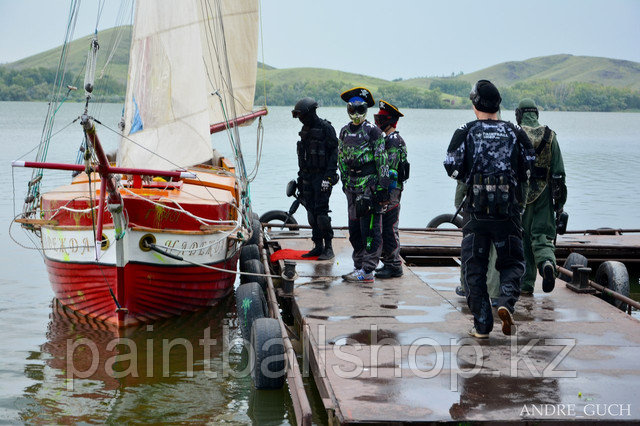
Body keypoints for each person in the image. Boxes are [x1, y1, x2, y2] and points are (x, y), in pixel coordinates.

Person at [444, 80, 534, 338]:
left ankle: (482, 324)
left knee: (474, 269)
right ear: (498, 105)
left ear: (475, 105)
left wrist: (472, 176)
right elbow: (529, 166)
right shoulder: (515, 131)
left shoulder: (465, 131)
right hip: (508, 213)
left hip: (476, 213)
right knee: (512, 263)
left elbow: (451, 166)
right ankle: (505, 302)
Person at [338, 87, 390, 283]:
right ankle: (358, 265)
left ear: (366, 111)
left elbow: (382, 160)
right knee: (354, 230)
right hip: (351, 187)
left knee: (370, 230)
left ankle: (368, 270)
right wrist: (344, 181)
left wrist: (382, 188)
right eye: (353, 110)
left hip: (369, 186)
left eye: (360, 110)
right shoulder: (344, 131)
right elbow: (341, 158)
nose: (356, 114)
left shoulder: (373, 131)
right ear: (348, 110)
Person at [516, 98, 567, 294]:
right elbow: (559, 173)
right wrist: (559, 204)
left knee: (522, 238)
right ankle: (547, 264)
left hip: (521, 194)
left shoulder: (515, 133)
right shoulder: (550, 136)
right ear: (536, 113)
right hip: (544, 194)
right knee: (542, 236)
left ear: (519, 114)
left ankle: (526, 285)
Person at [292, 97, 339, 260]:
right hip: (307, 176)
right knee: (311, 213)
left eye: (301, 115)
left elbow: (335, 154)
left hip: (322, 176)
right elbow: (302, 157)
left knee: (321, 213)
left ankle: (329, 247)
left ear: (310, 113)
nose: (300, 119)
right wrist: (300, 179)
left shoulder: (326, 128)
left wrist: (328, 177)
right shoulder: (305, 129)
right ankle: (318, 246)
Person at [373, 100, 409, 279]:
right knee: (385, 227)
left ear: (390, 121)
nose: (378, 121)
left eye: (382, 118)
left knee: (389, 227)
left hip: (391, 191)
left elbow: (391, 170)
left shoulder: (394, 141)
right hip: (388, 190)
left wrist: (384, 191)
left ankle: (394, 265)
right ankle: (389, 262)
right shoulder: (387, 139)